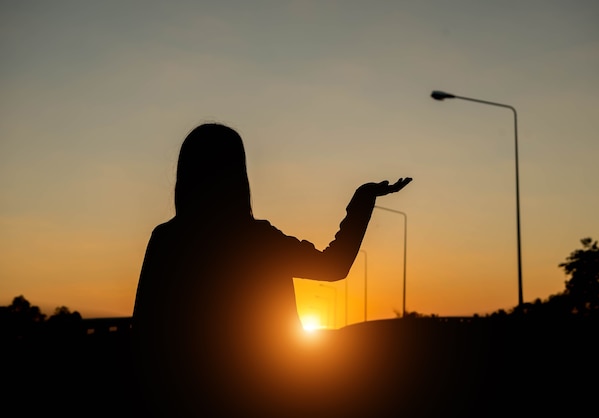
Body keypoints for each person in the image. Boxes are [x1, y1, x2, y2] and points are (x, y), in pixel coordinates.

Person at [131, 123, 412, 417]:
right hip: (259, 397)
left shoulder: (166, 239)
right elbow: (334, 266)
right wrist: (363, 201)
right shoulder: (256, 239)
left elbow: (144, 332)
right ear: (238, 177)